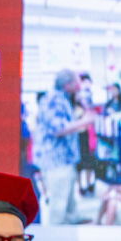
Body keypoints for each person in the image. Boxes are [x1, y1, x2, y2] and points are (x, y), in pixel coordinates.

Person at [34, 69, 94, 223]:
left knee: (68, 204)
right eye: (76, 81)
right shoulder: (54, 100)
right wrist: (85, 121)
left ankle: (70, 226)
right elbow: (58, 129)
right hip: (57, 162)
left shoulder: (62, 99)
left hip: (65, 161)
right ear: (68, 85)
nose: (80, 85)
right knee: (58, 206)